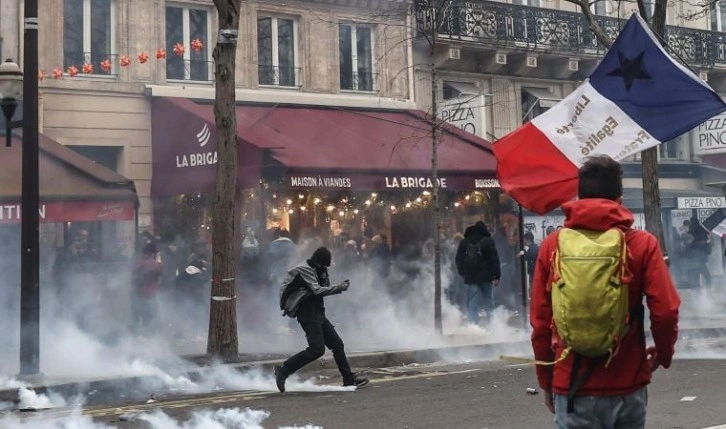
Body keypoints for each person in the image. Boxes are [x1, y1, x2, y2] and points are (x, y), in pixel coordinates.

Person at [530, 155, 680, 428]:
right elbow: (666, 311)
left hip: (572, 384)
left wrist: (547, 381)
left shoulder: (553, 246)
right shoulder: (642, 244)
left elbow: (540, 324)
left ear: (579, 195)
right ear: (619, 199)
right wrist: (663, 354)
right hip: (627, 384)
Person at [275, 247, 369, 392]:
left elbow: (324, 287)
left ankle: (349, 379)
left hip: (318, 313)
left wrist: (325, 275)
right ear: (318, 262)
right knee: (317, 349)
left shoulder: (318, 269)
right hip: (307, 313)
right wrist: (339, 288)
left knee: (337, 344)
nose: (325, 267)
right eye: (323, 265)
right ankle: (283, 370)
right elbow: (317, 290)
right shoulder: (304, 269)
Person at [455, 221, 501, 325]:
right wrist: (497, 276)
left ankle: (473, 326)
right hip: (487, 277)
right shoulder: (489, 241)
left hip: (471, 277)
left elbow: (458, 260)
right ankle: (493, 326)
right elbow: (495, 260)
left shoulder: (465, 242)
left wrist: (463, 273)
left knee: (473, 303)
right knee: (489, 302)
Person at [132, 242, 163, 333]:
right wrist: (159, 261)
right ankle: (148, 335)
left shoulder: (139, 261)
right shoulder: (151, 262)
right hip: (149, 293)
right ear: (153, 253)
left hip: (138, 292)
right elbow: (160, 270)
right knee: (152, 315)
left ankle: (139, 333)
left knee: (141, 314)